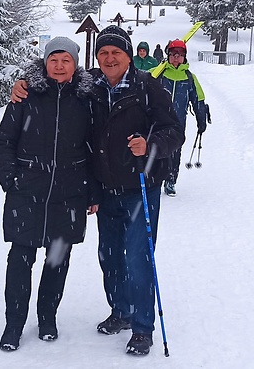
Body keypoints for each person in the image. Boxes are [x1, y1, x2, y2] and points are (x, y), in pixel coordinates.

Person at [11, 26, 184, 356]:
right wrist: (22, 83)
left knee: (138, 257)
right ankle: (120, 311)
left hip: (140, 188)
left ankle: (142, 328)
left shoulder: (148, 88)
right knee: (109, 256)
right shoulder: (91, 86)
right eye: (103, 53)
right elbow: (53, 72)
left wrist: (151, 145)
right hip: (106, 189)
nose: (108, 58)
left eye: (115, 53)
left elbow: (174, 131)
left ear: (128, 56)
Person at [0, 37, 100, 352]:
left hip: (68, 195)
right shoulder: (25, 95)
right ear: (45, 62)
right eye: (53, 59)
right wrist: (10, 179)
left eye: (65, 60)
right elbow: (5, 142)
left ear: (75, 64)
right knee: (20, 259)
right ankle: (13, 324)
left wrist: (92, 191)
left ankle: (47, 318)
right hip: (27, 191)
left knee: (57, 261)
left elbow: (94, 149)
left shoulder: (87, 99)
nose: (59, 65)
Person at [151, 39, 209, 196]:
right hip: (157, 122)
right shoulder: (158, 74)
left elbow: (198, 100)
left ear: (184, 57)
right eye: (173, 54)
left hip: (177, 123)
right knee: (155, 150)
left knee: (174, 153)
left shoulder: (189, 78)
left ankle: (171, 181)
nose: (176, 58)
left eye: (180, 55)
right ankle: (155, 180)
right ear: (168, 56)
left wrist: (201, 118)